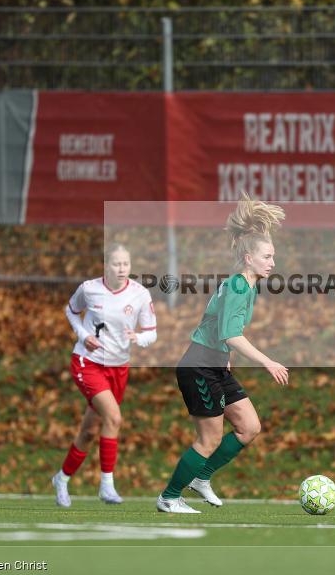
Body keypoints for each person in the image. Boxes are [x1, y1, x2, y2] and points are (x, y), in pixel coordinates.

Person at [156, 195, 288, 514]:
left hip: (215, 365)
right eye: (267, 256)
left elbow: (218, 327)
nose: (272, 262)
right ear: (249, 258)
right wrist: (267, 361)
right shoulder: (239, 286)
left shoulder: (246, 285)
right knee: (209, 440)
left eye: (273, 256)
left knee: (249, 427)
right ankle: (169, 497)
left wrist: (224, 354)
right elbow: (231, 334)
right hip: (199, 366)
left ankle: (201, 478)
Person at [51, 244, 157, 507]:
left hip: (118, 368)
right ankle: (107, 486)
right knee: (114, 417)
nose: (121, 269)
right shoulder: (89, 289)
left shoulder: (140, 294)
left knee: (89, 432)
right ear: (106, 266)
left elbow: (151, 332)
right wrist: (83, 335)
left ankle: (61, 479)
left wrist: (139, 338)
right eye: (116, 264)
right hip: (88, 363)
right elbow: (71, 311)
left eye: (126, 264)